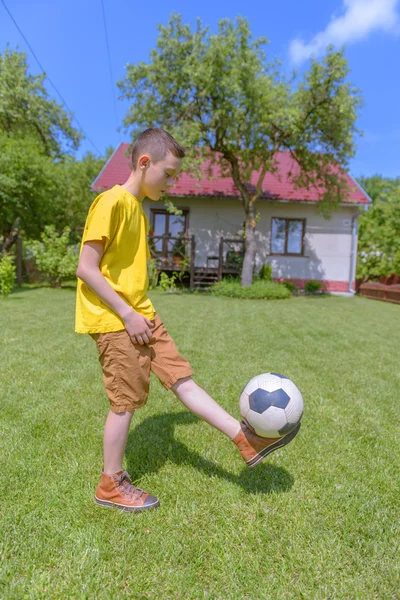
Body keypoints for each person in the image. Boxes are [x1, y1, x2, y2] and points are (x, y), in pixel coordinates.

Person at [75, 128, 300, 513]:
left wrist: (137, 313)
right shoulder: (110, 202)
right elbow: (86, 268)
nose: (172, 182)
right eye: (169, 173)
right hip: (117, 320)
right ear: (144, 163)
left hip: (141, 314)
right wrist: (127, 315)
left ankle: (246, 440)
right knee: (124, 403)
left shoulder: (138, 209)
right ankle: (110, 484)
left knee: (182, 380)